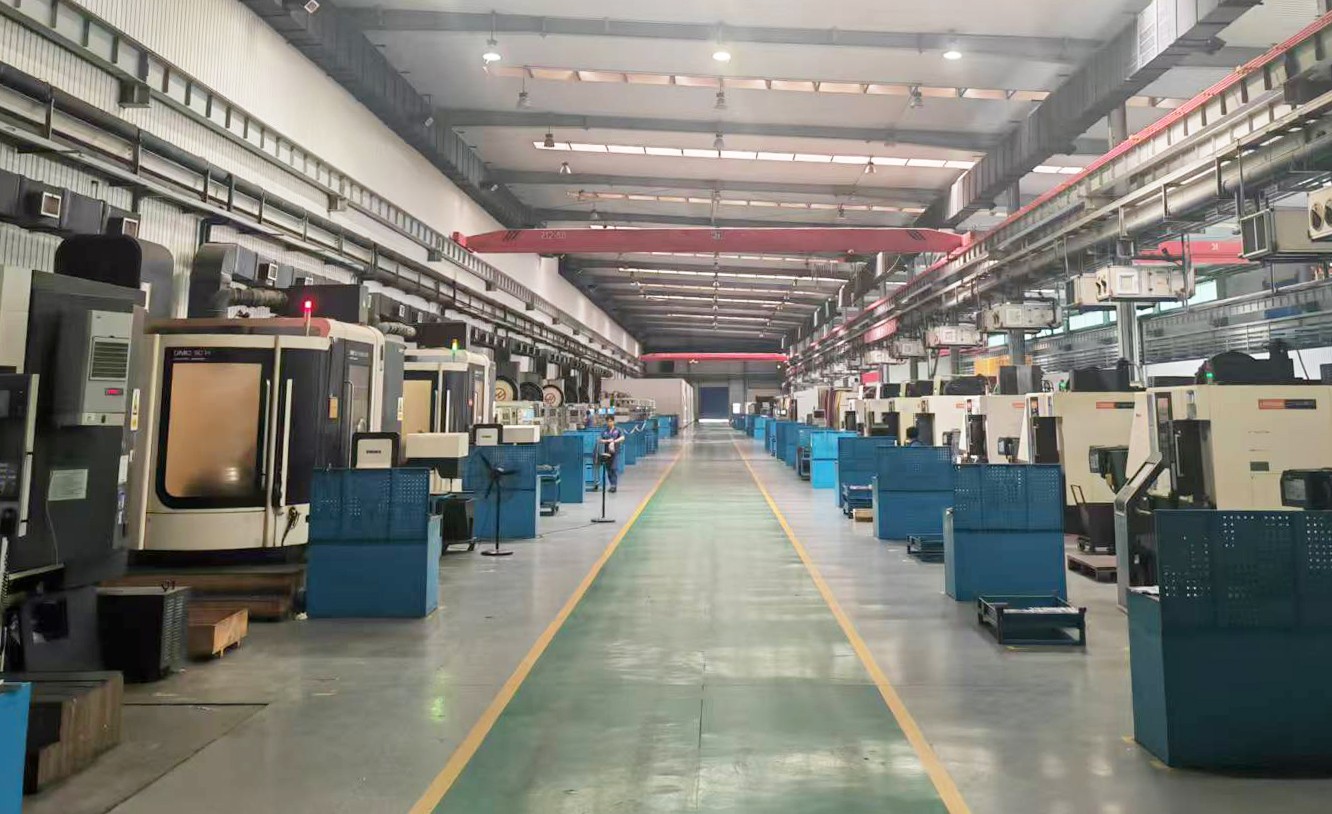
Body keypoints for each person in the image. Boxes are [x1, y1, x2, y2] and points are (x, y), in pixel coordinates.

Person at [599, 417, 625, 492]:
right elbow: (600, 440)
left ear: (613, 422)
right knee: (609, 469)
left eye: (610, 421)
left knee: (613, 468)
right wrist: (607, 441)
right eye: (608, 421)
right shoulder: (605, 431)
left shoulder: (618, 430)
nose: (609, 423)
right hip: (607, 453)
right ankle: (611, 485)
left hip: (615, 452)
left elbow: (622, 437)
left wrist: (614, 441)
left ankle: (614, 485)